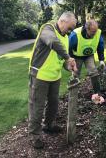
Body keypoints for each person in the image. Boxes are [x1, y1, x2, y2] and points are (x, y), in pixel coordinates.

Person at [28, 11, 77, 149]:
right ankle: (34, 136)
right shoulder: (47, 29)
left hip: (54, 76)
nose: (71, 31)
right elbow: (52, 42)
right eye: (70, 27)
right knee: (37, 107)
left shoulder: (66, 37)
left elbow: (61, 60)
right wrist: (68, 57)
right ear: (62, 21)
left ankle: (48, 125)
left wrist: (69, 66)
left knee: (53, 104)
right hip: (39, 76)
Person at [69, 19, 105, 94]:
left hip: (89, 56)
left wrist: (101, 60)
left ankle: (97, 93)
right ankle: (74, 94)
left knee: (93, 71)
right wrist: (71, 60)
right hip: (77, 56)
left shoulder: (98, 33)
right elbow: (68, 48)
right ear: (86, 29)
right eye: (92, 32)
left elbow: (100, 46)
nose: (95, 34)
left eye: (95, 31)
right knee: (75, 74)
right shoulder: (75, 35)